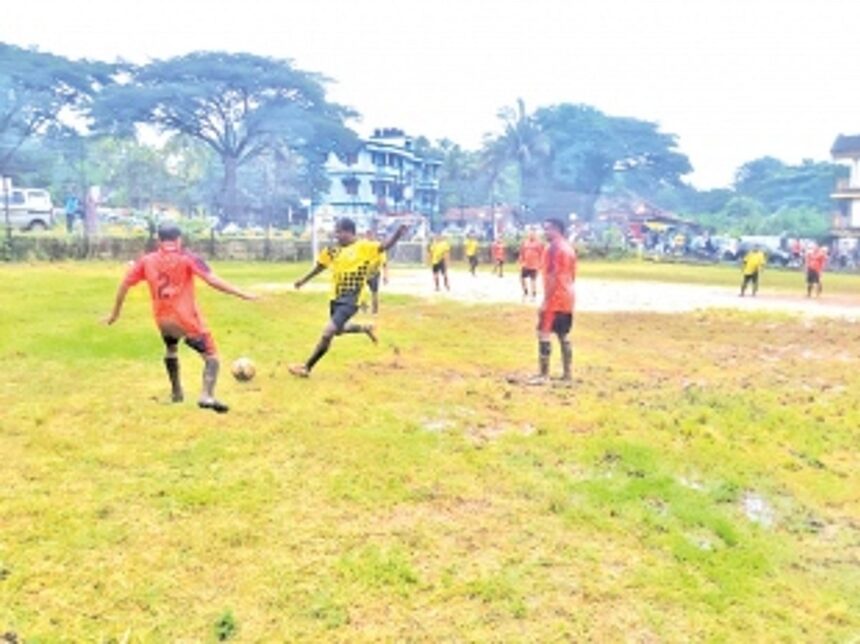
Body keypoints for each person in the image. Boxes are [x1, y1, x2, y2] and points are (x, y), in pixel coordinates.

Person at [104, 222, 258, 413]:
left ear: (158, 240)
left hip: (162, 318)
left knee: (171, 348)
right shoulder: (187, 258)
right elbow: (212, 280)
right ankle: (206, 396)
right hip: (185, 319)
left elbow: (125, 284)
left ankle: (176, 392)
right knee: (212, 357)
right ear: (179, 240)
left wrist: (115, 313)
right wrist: (243, 293)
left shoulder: (146, 260)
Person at [290, 218, 408, 378]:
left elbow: (384, 246)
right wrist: (303, 280)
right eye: (336, 231)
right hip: (335, 298)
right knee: (337, 330)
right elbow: (320, 267)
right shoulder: (333, 250)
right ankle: (365, 328)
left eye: (339, 231)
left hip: (352, 300)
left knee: (327, 332)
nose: (336, 235)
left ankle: (306, 367)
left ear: (349, 232)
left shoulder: (364, 247)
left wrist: (397, 235)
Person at [534, 217, 577, 383]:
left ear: (556, 229)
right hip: (567, 296)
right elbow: (571, 275)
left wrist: (546, 299)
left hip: (555, 298)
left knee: (543, 333)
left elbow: (553, 275)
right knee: (563, 334)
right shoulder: (569, 248)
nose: (545, 232)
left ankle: (543, 375)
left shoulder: (553, 248)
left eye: (548, 229)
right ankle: (567, 375)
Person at [363, 230, 388, 314]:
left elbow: (384, 263)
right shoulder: (363, 245)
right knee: (361, 291)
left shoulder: (378, 246)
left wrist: (385, 275)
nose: (369, 237)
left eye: (370, 235)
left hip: (374, 272)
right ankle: (364, 308)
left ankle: (374, 310)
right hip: (363, 272)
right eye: (368, 235)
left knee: (374, 292)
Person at [518, 229, 545, 300]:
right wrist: (521, 261)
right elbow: (521, 253)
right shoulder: (525, 242)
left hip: (534, 265)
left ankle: (533, 295)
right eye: (530, 234)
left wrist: (541, 265)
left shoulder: (539, 243)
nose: (531, 235)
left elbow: (542, 254)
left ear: (535, 235)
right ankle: (525, 291)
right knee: (521, 278)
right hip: (525, 264)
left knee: (533, 280)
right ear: (528, 234)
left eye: (533, 234)